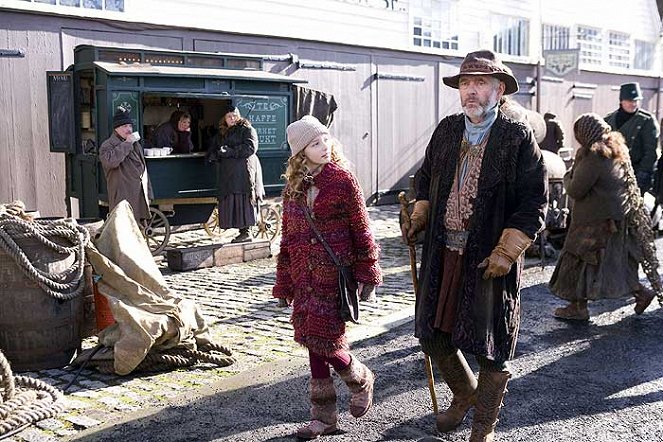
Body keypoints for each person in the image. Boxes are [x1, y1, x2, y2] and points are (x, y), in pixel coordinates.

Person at [402, 50, 547, 441]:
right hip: (443, 252)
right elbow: (426, 176)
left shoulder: (517, 138)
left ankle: (484, 428)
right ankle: (465, 393)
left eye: (480, 83)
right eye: (465, 83)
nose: (471, 91)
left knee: (491, 345)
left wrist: (507, 251)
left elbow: (534, 201)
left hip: (488, 258)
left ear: (499, 90)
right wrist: (420, 214)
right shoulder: (447, 130)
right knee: (432, 334)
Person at [273, 115, 382, 439]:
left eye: (324, 140)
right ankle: (323, 418)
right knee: (312, 344)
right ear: (300, 152)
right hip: (303, 280)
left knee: (326, 341)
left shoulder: (343, 180)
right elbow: (287, 240)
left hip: (333, 278)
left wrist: (368, 273)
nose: (323, 147)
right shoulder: (293, 188)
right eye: (314, 144)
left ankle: (359, 377)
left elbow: (361, 229)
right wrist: (283, 283)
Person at [549, 113, 660, 320]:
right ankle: (640, 292)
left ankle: (578, 307)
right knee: (611, 263)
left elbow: (575, 190)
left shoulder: (594, 157)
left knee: (578, 259)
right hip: (615, 218)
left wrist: (567, 175)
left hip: (593, 221)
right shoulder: (615, 149)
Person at [207, 104, 261, 243]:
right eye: (229, 116)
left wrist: (231, 151)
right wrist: (214, 155)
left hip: (242, 173)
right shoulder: (222, 133)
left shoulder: (247, 129)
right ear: (224, 119)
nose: (232, 118)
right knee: (231, 199)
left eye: (234, 115)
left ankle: (246, 232)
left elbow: (250, 148)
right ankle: (240, 231)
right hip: (227, 174)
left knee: (242, 199)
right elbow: (214, 147)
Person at [605, 82, 660, 194]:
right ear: (621, 101)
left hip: (636, 173)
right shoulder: (608, 120)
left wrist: (642, 174)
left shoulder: (646, 121)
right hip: (611, 174)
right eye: (630, 101)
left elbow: (650, 152)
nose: (633, 104)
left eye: (636, 101)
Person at [99, 107, 151, 225]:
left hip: (137, 190)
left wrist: (148, 189)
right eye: (124, 126)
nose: (128, 129)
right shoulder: (107, 145)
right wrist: (127, 144)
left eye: (130, 126)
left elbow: (142, 165)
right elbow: (110, 162)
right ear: (116, 128)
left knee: (137, 223)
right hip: (122, 192)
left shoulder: (135, 143)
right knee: (123, 223)